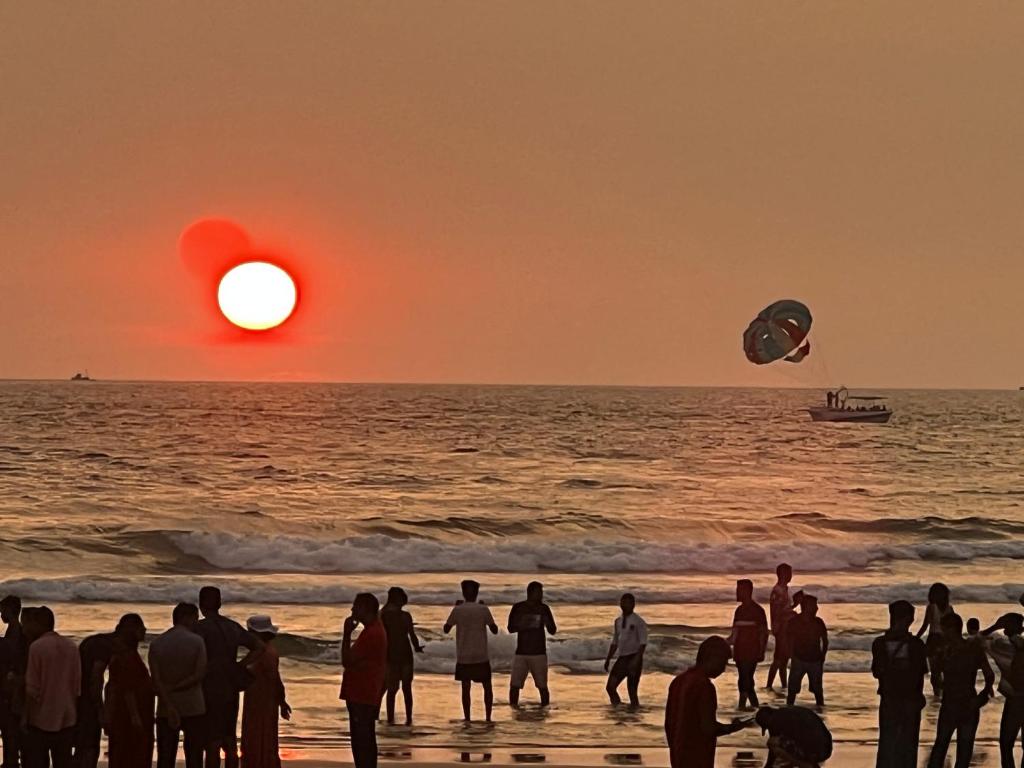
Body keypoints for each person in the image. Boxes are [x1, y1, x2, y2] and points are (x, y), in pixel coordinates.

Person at [196, 586, 264, 768]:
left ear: (201, 604)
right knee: (229, 738)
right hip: (230, 685)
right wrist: (240, 665)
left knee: (211, 740)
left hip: (208, 685)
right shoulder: (232, 627)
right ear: (219, 603)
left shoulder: (199, 628)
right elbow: (259, 647)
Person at [664, 636, 748, 768]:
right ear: (712, 658)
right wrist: (732, 728)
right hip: (697, 756)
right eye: (723, 662)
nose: (723, 669)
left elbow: (669, 722)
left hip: (677, 753)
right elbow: (708, 727)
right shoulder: (704, 686)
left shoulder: (678, 681)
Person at [926, 612, 994, 768]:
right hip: (969, 702)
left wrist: (939, 678)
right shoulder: (973, 649)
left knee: (941, 746)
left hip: (951, 703)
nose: (942, 632)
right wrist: (983, 695)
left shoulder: (944, 652)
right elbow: (989, 675)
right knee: (964, 749)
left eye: (944, 629)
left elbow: (936, 680)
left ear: (951, 629)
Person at [149, 602, 208, 768]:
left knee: (165, 757)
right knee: (194, 757)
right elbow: (198, 674)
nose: (197, 622)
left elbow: (156, 679)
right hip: (193, 705)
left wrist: (168, 696)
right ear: (186, 618)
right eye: (195, 618)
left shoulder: (157, 643)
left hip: (166, 706)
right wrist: (178, 686)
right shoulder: (197, 642)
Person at [872, 600, 928, 768]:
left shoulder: (879, 643)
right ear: (908, 619)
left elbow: (876, 672)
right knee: (909, 744)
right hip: (910, 698)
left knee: (887, 742)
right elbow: (920, 673)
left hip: (889, 697)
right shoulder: (916, 644)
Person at [23, 607, 81, 768]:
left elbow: (32, 689)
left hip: (41, 717)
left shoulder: (37, 647)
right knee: (63, 761)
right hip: (67, 716)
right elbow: (77, 687)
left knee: (38, 762)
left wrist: (24, 717)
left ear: (39, 624)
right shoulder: (71, 647)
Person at [340, 593, 387, 768]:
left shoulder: (372, 633)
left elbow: (347, 660)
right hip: (365, 692)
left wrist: (346, 634)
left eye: (355, 606)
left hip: (362, 693)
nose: (352, 610)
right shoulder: (375, 628)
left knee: (361, 740)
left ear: (364, 609)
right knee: (365, 738)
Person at [443, 581, 498, 723]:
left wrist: (456, 607)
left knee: (466, 689)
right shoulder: (482, 609)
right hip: (481, 654)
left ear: (463, 593)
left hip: (464, 655)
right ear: (477, 593)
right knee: (487, 687)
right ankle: (488, 717)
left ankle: (467, 717)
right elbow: (494, 629)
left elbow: (446, 629)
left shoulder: (458, 610)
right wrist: (484, 607)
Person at [240, 616, 290, 768]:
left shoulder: (260, 652)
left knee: (255, 734)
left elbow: (272, 678)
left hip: (258, 699)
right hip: (268, 699)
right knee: (267, 734)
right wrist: (282, 701)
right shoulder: (271, 651)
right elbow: (277, 679)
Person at [105, 615, 153, 768]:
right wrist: (135, 716)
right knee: (131, 756)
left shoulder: (123, 654)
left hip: (126, 714)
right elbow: (128, 689)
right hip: (129, 715)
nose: (145, 630)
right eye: (141, 627)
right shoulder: (126, 656)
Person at [73, 623, 119, 768]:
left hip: (78, 697)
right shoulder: (104, 646)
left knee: (83, 745)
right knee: (89, 745)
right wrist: (101, 709)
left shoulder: (94, 641)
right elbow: (96, 677)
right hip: (89, 702)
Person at [981, 613, 1024, 768]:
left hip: (1015, 700)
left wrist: (994, 626)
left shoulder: (1000, 645)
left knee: (1006, 745)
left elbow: (975, 639)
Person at [507, 582, 557, 708]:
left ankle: (544, 709)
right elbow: (510, 628)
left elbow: (553, 630)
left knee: (542, 686)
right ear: (530, 593)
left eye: (541, 592)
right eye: (538, 592)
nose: (541, 595)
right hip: (522, 651)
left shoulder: (544, 609)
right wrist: (524, 624)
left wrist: (546, 621)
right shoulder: (519, 607)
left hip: (539, 652)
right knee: (515, 686)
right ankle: (514, 709)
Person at [380, 588, 423, 726]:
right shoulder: (404, 616)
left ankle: (392, 718)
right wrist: (417, 647)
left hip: (393, 653)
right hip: (403, 653)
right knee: (404, 688)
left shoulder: (383, 615)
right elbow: (412, 635)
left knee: (393, 689)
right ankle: (407, 718)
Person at [729, 580, 768, 710]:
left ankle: (742, 706)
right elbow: (734, 634)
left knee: (745, 678)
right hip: (740, 650)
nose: (737, 592)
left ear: (748, 591)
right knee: (745, 679)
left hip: (752, 650)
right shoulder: (738, 611)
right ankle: (755, 707)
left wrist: (762, 650)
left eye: (739, 590)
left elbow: (763, 633)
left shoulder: (758, 611)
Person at [604, 594, 648, 708]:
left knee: (632, 692)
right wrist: (608, 659)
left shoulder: (639, 621)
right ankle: (618, 708)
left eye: (628, 603)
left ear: (633, 605)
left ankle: (633, 716)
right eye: (623, 602)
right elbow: (615, 642)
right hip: (622, 658)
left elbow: (643, 643)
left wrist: (636, 660)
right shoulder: (618, 621)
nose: (625, 605)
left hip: (634, 657)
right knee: (610, 687)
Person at [755, 706, 832, 768]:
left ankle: (808, 765)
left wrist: (768, 766)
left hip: (817, 752)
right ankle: (802, 762)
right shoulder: (786, 712)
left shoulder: (775, 721)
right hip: (826, 747)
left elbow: (773, 752)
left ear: (767, 720)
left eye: (766, 727)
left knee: (772, 743)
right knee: (786, 743)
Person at [787, 595, 828, 707]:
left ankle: (820, 712)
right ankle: (789, 711)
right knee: (792, 690)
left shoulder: (818, 622)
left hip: (815, 660)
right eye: (814, 605)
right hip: (799, 659)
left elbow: (824, 640)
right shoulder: (794, 622)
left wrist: (822, 656)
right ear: (806, 607)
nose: (816, 608)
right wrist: (792, 656)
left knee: (818, 691)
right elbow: (789, 640)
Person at [2, 596, 27, 768]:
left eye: (2, 610)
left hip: (11, 690)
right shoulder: (14, 630)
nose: (0, 614)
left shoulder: (16, 631)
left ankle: (11, 762)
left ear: (10, 610)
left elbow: (14, 659)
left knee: (10, 730)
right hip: (12, 688)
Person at [916, 583, 954, 695]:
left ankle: (938, 693)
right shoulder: (947, 608)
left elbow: (925, 625)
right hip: (942, 640)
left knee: (936, 671)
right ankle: (941, 693)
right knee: (942, 669)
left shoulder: (934, 607)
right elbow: (953, 626)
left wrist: (916, 638)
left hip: (935, 639)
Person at [766, 564, 795, 691]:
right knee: (779, 657)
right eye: (788, 573)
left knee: (783, 659)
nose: (790, 576)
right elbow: (778, 611)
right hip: (781, 627)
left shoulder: (784, 590)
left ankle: (784, 685)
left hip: (786, 627)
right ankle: (769, 684)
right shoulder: (778, 591)